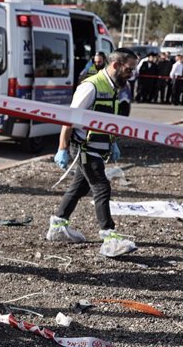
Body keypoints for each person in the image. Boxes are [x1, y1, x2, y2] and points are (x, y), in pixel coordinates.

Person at [47, 48, 138, 258]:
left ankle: (58, 225)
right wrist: (62, 148)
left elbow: (107, 118)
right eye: (129, 69)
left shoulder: (114, 86)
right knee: (101, 186)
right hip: (84, 147)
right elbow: (68, 119)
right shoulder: (91, 86)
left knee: (79, 187)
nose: (131, 74)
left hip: (98, 147)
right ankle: (109, 238)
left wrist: (112, 142)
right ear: (115, 65)